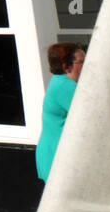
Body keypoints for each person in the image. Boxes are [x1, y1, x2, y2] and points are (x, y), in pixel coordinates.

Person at [36, 42, 84, 181]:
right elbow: (92, 117)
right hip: (58, 156)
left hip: (55, 152)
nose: (87, 66)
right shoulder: (65, 86)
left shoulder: (60, 81)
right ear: (66, 66)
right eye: (81, 62)